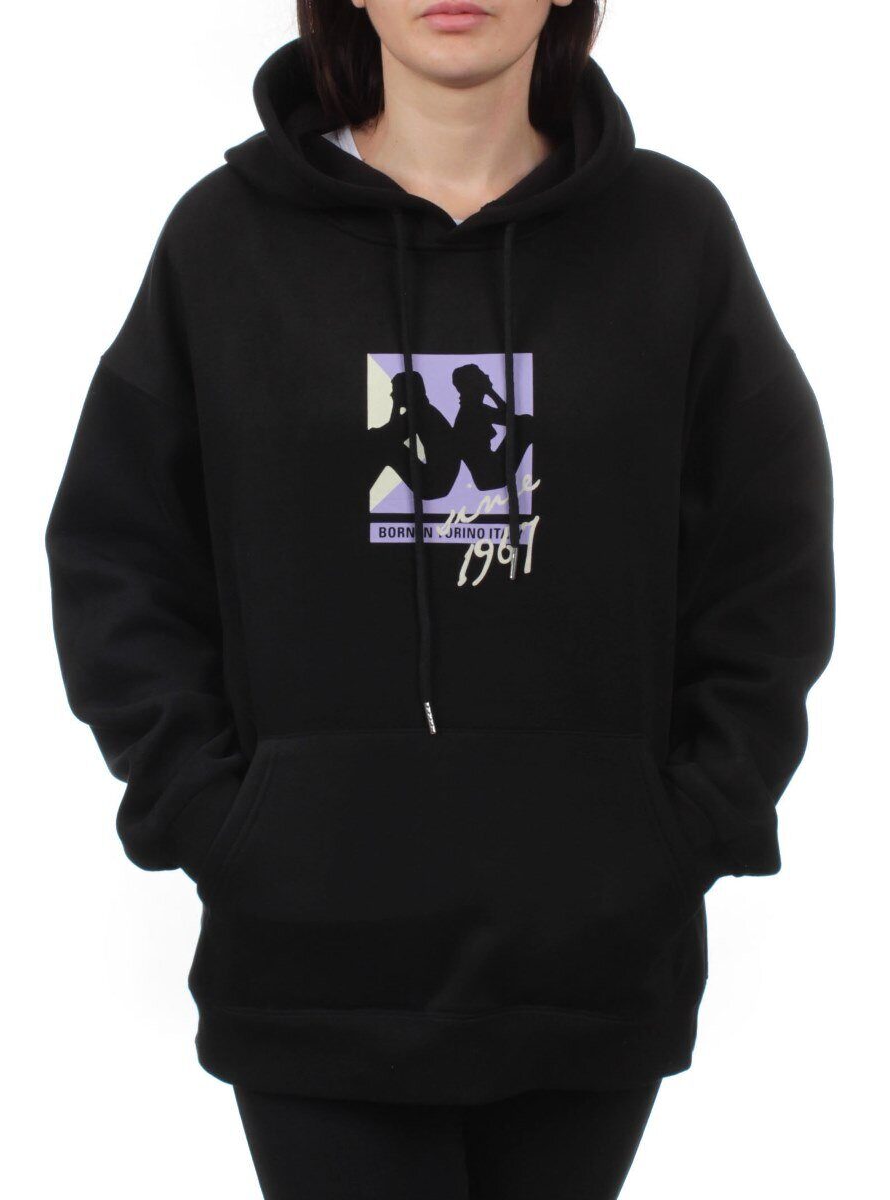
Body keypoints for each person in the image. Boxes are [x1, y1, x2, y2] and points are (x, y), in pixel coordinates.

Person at [43, 1, 836, 1196]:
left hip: (591, 965)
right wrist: (216, 818)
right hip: (312, 968)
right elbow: (120, 551)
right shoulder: (226, 241)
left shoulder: (672, 236)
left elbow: (765, 551)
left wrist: (691, 820)